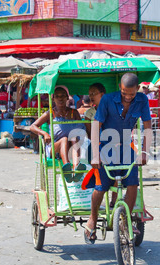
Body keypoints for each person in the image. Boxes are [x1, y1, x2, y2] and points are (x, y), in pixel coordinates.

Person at [84, 73, 151, 244]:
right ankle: (92, 219)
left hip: (126, 148)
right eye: (124, 93)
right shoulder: (107, 100)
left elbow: (148, 126)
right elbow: (96, 125)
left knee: (133, 183)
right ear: (120, 88)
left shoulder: (142, 100)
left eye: (131, 93)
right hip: (105, 147)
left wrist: (145, 151)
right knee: (102, 186)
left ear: (137, 89)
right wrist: (95, 155)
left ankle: (125, 222)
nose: (128, 97)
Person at [30, 86, 86, 183]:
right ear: (53, 98)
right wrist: (44, 134)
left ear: (67, 98)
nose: (60, 98)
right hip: (54, 148)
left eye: (63, 96)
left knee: (73, 138)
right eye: (57, 96)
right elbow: (33, 126)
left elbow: (80, 129)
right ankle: (67, 169)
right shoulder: (50, 113)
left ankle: (76, 168)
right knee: (64, 139)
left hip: (70, 147)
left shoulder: (74, 112)